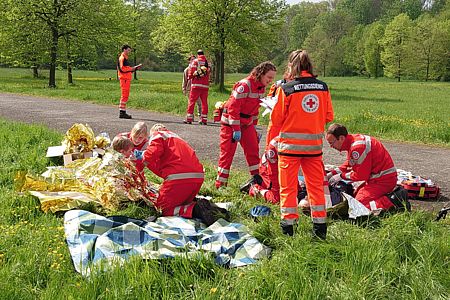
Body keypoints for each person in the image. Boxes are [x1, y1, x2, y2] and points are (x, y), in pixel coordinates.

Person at [267, 50, 334, 238]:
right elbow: (329, 116)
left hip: (289, 149)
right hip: (314, 149)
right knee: (315, 188)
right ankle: (319, 229)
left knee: (288, 189)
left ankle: (289, 229)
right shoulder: (323, 87)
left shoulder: (287, 88)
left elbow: (277, 118)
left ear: (291, 66)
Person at [135, 124, 229, 226]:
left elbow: (152, 153)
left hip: (178, 177)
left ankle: (194, 209)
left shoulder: (158, 135)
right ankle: (210, 208)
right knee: (181, 202)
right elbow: (162, 168)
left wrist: (142, 158)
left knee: (163, 208)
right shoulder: (177, 139)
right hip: (197, 177)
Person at [215, 61, 277, 189]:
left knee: (253, 152)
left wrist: (253, 128)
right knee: (227, 154)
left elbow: (255, 111)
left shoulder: (261, 87)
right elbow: (233, 109)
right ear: (261, 74)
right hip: (230, 124)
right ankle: (220, 185)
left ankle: (257, 182)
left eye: (272, 78)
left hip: (247, 124)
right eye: (269, 77)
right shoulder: (245, 85)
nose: (270, 81)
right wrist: (236, 129)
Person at [325, 123, 410, 212]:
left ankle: (395, 200)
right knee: (355, 194)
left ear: (341, 138)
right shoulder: (353, 141)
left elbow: (360, 176)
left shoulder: (357, 147)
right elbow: (351, 162)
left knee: (358, 205)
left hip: (383, 181)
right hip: (378, 179)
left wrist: (341, 176)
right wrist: (332, 173)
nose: (331, 146)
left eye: (332, 143)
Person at [184, 50, 210, 125]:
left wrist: (190, 77)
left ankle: (189, 118)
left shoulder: (195, 61)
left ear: (197, 54)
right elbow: (209, 72)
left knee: (192, 102)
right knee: (204, 102)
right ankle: (204, 119)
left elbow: (191, 73)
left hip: (196, 85)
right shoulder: (207, 62)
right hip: (205, 86)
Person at [117, 44, 142, 119]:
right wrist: (132, 68)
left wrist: (135, 69)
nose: (129, 52)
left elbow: (127, 70)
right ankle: (122, 113)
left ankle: (123, 112)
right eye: (128, 50)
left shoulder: (125, 58)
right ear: (124, 50)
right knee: (124, 95)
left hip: (126, 79)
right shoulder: (122, 58)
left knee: (126, 95)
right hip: (124, 79)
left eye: (130, 50)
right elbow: (122, 69)